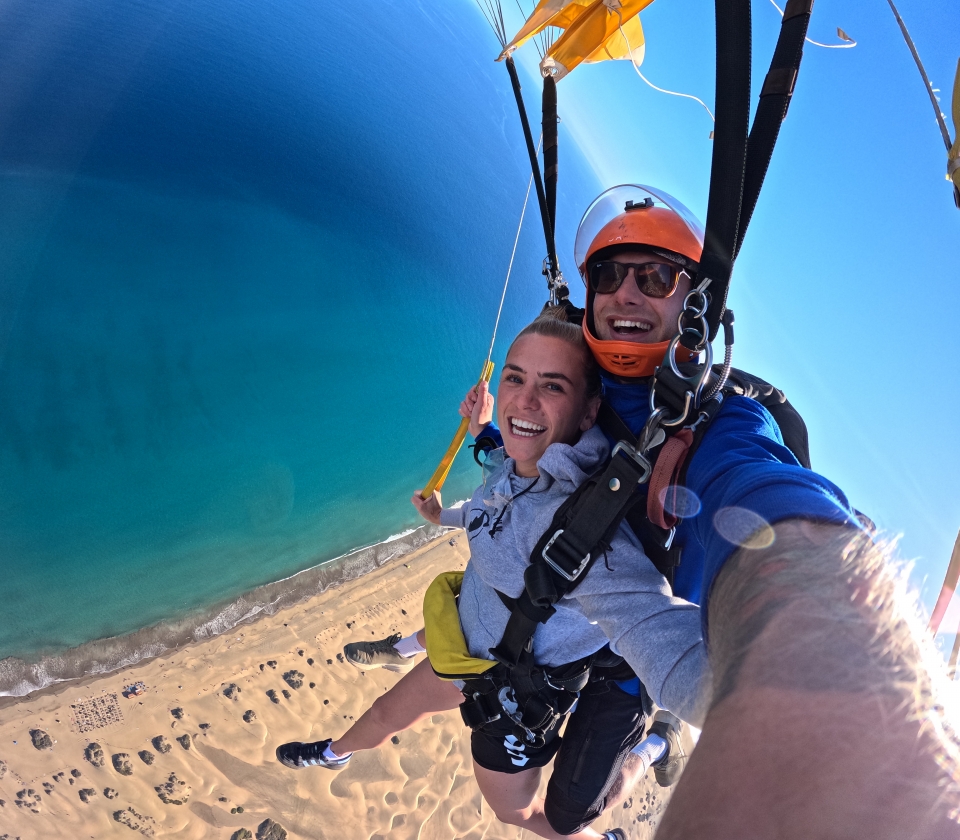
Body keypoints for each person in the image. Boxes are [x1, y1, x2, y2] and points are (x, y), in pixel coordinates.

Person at [330, 184, 960, 837]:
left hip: (638, 655)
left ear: (693, 306)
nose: (626, 293)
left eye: (657, 277)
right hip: (560, 624)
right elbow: (539, 449)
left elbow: (766, 497)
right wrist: (491, 430)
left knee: (571, 812)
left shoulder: (720, 426)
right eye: (609, 275)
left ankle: (658, 743)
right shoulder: (581, 379)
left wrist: (833, 654)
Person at [278, 313, 712, 840]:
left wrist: (770, 708)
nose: (525, 401)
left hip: (511, 698)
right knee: (386, 710)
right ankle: (333, 754)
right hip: (463, 653)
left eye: (552, 386)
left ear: (588, 411)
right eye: (515, 378)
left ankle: (652, 751)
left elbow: (667, 634)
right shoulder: (511, 462)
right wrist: (449, 511)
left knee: (527, 816)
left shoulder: (593, 546)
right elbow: (494, 495)